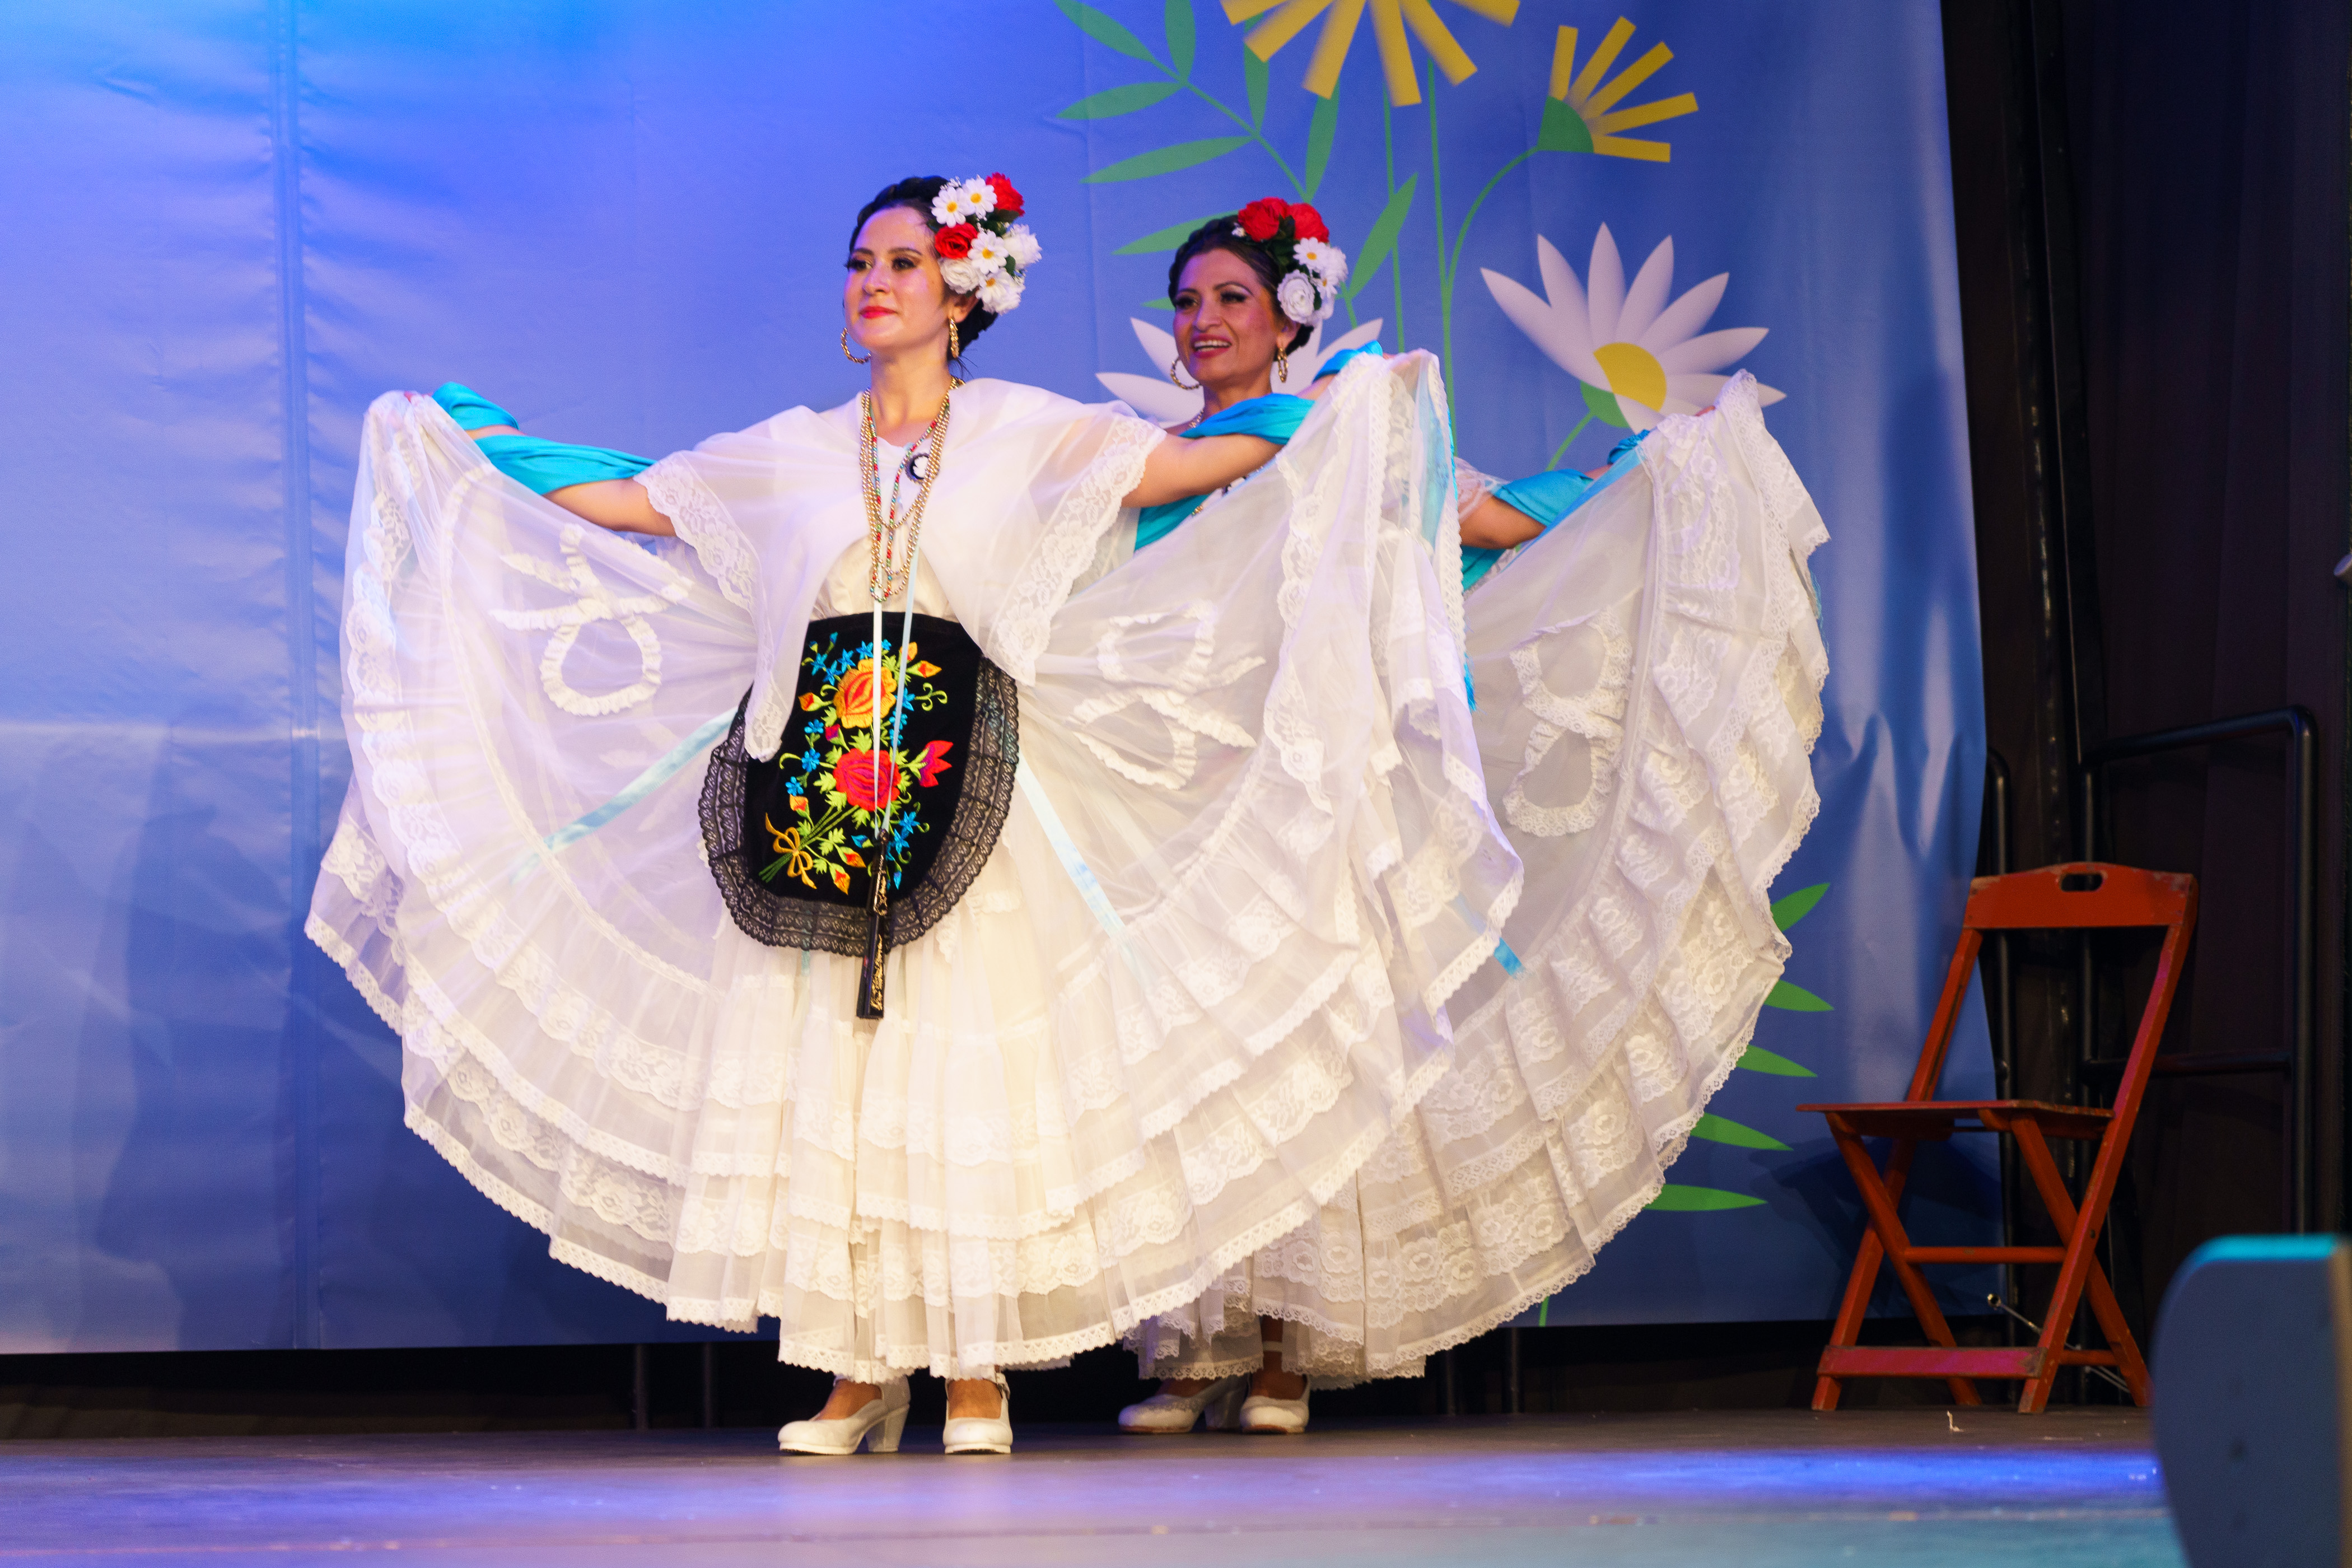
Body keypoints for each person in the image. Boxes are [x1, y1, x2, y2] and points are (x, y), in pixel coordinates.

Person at [308, 174, 1515, 1454]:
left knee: (967, 1060)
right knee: (835, 1069)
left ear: (961, 292)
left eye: (901, 259)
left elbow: (1187, 459)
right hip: (828, 784)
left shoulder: (1025, 430)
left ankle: (977, 1366)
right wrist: (466, 436)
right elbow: (632, 496)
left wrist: (1343, 406)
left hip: (972, 787)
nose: (872, 280)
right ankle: (856, 1366)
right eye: (859, 261)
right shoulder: (787, 450)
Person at [1103, 198, 1830, 1434]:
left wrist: (1646, 473)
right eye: (1189, 300)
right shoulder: (1155, 464)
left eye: (1233, 296)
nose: (1206, 320)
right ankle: (1196, 1348)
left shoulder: (1348, 444)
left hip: (1315, 796)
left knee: (1302, 1055)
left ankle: (1286, 1350)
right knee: (1193, 1062)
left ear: (1291, 314)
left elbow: (1486, 524)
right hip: (1188, 802)